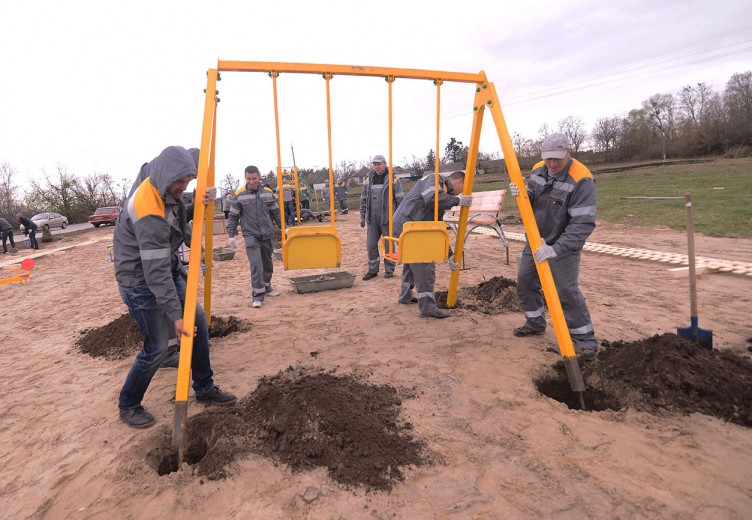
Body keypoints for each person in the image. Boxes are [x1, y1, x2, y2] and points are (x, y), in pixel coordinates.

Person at [114, 146, 236, 429]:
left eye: (188, 182)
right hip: (138, 282)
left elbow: (177, 215)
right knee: (156, 347)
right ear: (167, 175)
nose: (184, 187)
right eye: (180, 183)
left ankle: (204, 387)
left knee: (201, 321)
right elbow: (154, 274)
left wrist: (201, 202)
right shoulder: (147, 208)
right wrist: (176, 317)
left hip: (163, 270)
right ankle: (128, 404)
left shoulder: (164, 189)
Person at [509, 133, 598, 360]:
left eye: (557, 159)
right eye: (548, 159)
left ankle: (584, 340)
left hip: (562, 245)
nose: (552, 164)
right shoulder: (539, 169)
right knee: (526, 281)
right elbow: (533, 198)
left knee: (565, 291)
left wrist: (556, 248)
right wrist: (523, 195)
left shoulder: (581, 179)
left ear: (568, 152)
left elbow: (582, 223)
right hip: (536, 240)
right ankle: (535, 322)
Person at [394, 171, 472, 318]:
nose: (459, 194)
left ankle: (405, 295)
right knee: (425, 263)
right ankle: (428, 308)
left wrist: (449, 255)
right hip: (410, 227)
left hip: (408, 225)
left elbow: (438, 229)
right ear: (459, 182)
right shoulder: (434, 178)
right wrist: (458, 201)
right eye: (462, 190)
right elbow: (432, 199)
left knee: (411, 261)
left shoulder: (440, 190)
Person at [227, 165, 282, 309]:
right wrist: (231, 235)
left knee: (267, 263)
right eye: (248, 179)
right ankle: (257, 296)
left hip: (268, 234)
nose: (251, 181)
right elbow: (233, 217)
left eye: (254, 178)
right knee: (256, 265)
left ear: (259, 176)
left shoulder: (268, 193)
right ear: (245, 178)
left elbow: (276, 213)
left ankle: (267, 287)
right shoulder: (239, 195)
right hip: (251, 235)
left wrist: (285, 228)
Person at [359, 154, 404, 280]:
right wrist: (362, 216)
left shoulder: (393, 179)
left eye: (379, 164)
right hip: (372, 218)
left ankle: (389, 270)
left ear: (385, 164)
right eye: (374, 164)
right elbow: (363, 200)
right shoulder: (368, 180)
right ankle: (373, 270)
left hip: (388, 218)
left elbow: (400, 200)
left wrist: (399, 218)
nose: (377, 166)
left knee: (389, 245)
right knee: (371, 245)